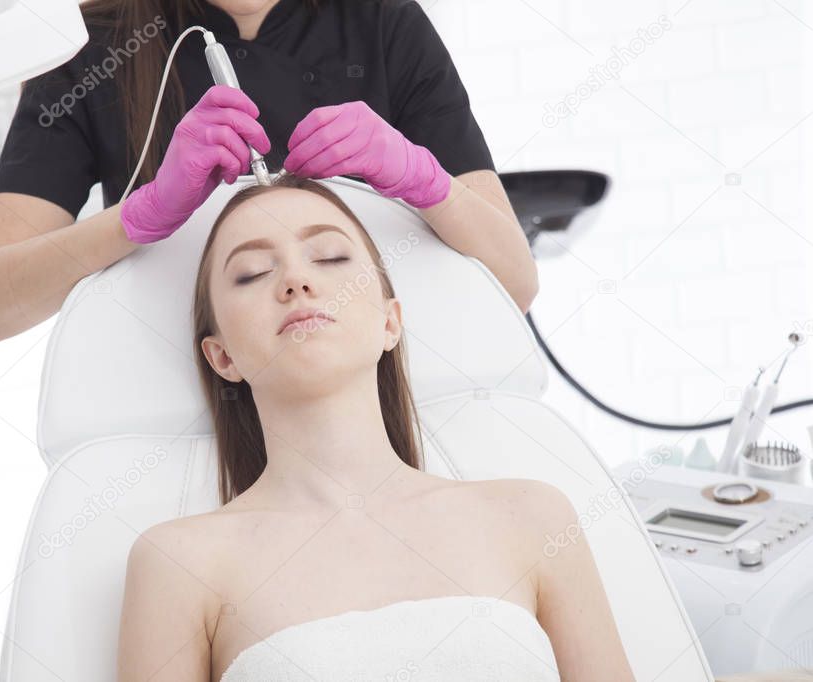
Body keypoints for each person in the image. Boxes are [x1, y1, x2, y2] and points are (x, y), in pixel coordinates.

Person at [115, 172, 632, 681]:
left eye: (330, 257)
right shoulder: (178, 564)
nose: (296, 281)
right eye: (252, 272)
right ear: (222, 355)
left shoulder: (533, 518)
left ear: (390, 322)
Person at [0, 0, 538, 347]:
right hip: (189, 390)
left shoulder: (384, 23)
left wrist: (422, 178)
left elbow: (516, 282)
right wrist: (140, 217)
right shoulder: (87, 52)